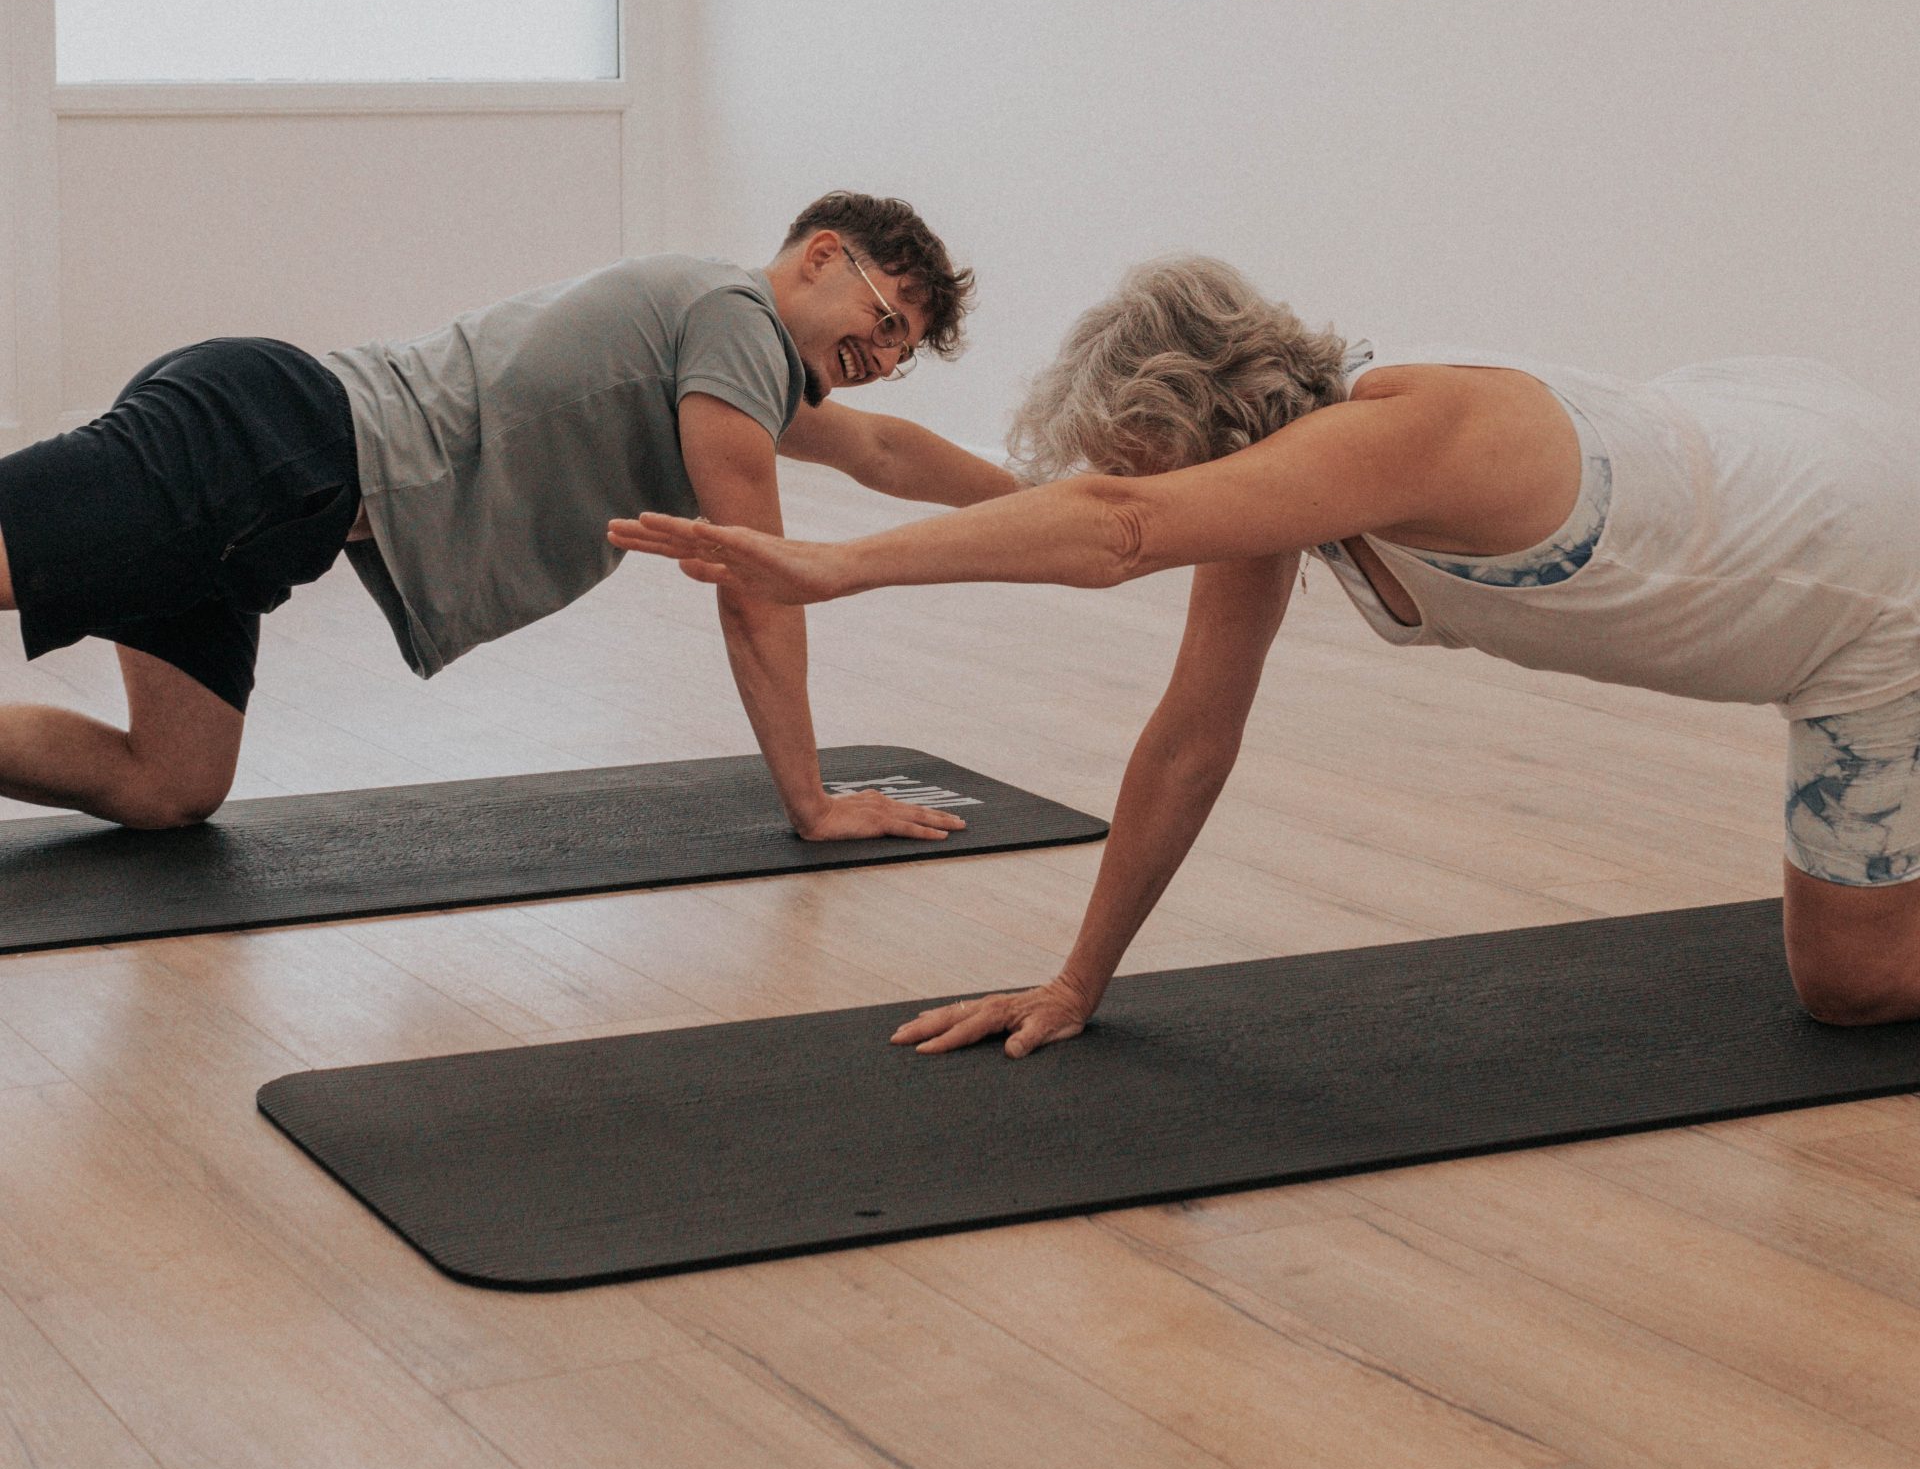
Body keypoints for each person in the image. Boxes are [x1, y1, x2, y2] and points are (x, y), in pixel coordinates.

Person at [618, 254, 1920, 1040]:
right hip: (1773, 449)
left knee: (1851, 990)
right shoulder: (1293, 485)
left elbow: (1120, 528)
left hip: (1874, 582)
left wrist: (838, 564)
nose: (1154, 499)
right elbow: (1192, 736)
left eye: (1147, 468)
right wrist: (1078, 981)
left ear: (1195, 440)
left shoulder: (1417, 430)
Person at [0, 192, 1016, 839]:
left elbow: (882, 448)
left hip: (280, 506)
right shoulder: (734, 321)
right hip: (269, 440)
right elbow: (755, 578)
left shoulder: (733, 358)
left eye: (903, 350)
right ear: (821, 255)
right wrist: (811, 801)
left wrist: (1052, 502)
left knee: (171, 783)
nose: (883, 358)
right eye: (884, 319)